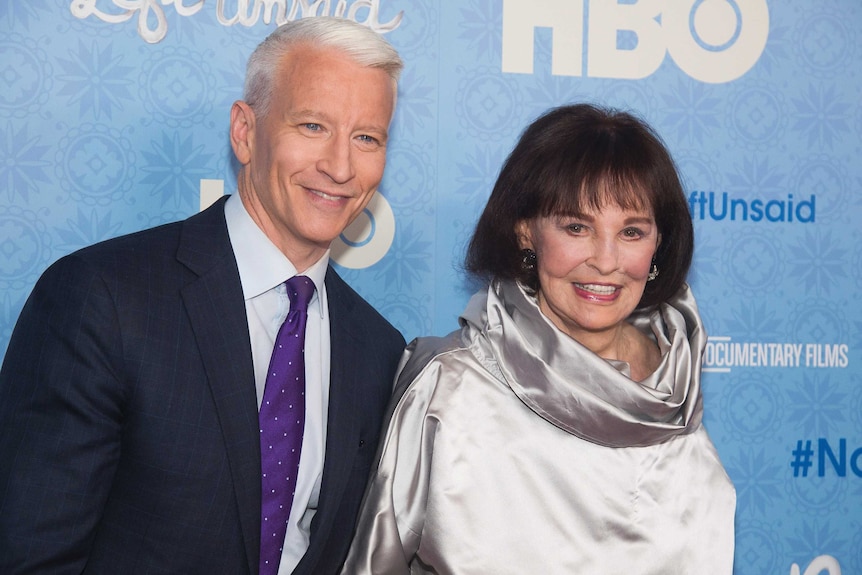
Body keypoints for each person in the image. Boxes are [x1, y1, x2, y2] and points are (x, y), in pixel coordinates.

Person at [0, 17, 406, 575]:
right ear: (244, 131)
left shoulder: (379, 350)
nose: (339, 166)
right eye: (312, 126)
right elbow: (30, 555)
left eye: (367, 138)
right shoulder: (104, 299)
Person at [342, 104, 736, 573]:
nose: (606, 261)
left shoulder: (673, 395)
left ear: (658, 246)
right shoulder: (448, 386)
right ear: (525, 232)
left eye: (631, 232)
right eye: (577, 227)